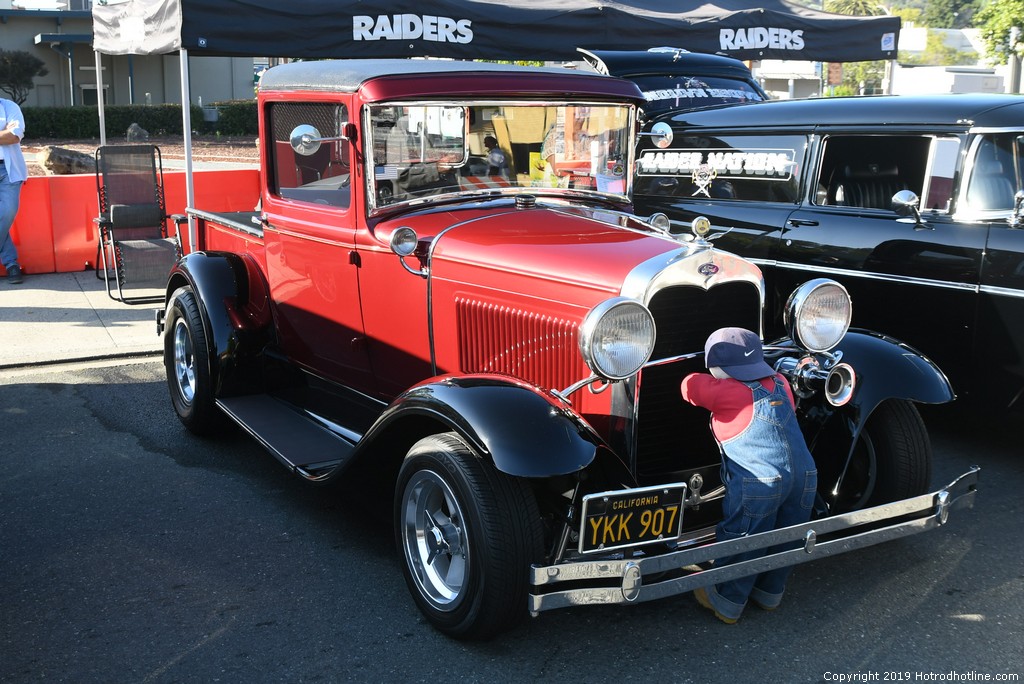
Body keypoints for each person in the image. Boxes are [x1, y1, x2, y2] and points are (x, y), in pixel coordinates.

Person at [680, 327, 817, 624]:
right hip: (806, 477)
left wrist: (703, 373)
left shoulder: (727, 391)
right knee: (787, 537)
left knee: (743, 538)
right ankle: (769, 593)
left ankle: (726, 601)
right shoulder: (781, 382)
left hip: (760, 482)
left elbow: (688, 386)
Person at [0, 97, 27, 285]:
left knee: (8, 212)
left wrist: (7, 134)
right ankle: (11, 263)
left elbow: (14, 135)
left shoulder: (9, 106)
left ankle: (10, 263)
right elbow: (5, 135)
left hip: (8, 170)